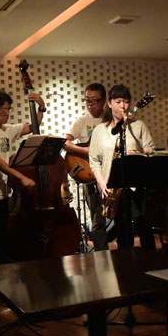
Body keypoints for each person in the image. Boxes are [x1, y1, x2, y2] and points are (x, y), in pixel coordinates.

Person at [0, 89, 46, 264]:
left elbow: (33, 126)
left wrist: (41, 107)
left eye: (8, 109)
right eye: (3, 110)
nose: (7, 113)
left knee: (3, 232)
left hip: (5, 190)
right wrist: (21, 177)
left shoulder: (6, 130)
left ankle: (2, 266)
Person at [89, 85, 155, 249]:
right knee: (122, 227)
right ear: (109, 104)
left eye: (126, 102)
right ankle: (124, 260)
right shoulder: (99, 130)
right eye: (118, 102)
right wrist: (101, 183)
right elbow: (94, 160)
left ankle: (150, 258)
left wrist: (138, 152)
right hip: (112, 186)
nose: (123, 106)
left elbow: (151, 149)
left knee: (142, 223)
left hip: (136, 184)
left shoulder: (138, 125)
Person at [64, 83, 108, 251]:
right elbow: (65, 143)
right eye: (87, 100)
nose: (89, 104)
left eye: (93, 100)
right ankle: (102, 254)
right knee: (98, 218)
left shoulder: (110, 120)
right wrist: (85, 151)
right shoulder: (82, 121)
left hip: (110, 172)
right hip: (89, 173)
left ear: (103, 101)